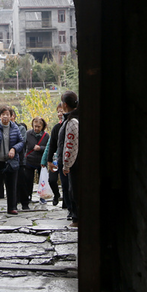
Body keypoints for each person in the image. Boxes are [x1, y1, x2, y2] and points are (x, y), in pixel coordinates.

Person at [0, 106, 25, 214]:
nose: (5, 116)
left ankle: (12, 207)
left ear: (11, 116)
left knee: (12, 185)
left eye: (7, 114)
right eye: (3, 114)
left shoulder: (15, 127)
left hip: (11, 161)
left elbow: (21, 142)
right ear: (0, 116)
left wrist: (14, 149)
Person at [19, 117, 49, 209]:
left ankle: (43, 197)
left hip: (41, 161)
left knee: (42, 180)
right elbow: (23, 146)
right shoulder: (28, 134)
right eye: (35, 126)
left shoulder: (46, 136)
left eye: (39, 127)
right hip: (29, 161)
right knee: (28, 180)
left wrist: (41, 148)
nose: (36, 128)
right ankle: (28, 196)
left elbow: (49, 148)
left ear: (42, 126)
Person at [60, 91, 80, 228]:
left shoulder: (72, 121)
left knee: (75, 191)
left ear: (65, 104)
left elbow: (70, 145)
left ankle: (77, 219)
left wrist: (66, 164)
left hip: (76, 163)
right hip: (78, 162)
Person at [42, 103, 65, 207]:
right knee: (52, 180)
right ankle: (56, 194)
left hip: (66, 158)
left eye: (62, 111)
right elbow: (50, 146)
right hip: (55, 158)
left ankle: (66, 203)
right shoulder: (56, 127)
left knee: (66, 183)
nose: (60, 114)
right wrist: (46, 160)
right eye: (58, 111)